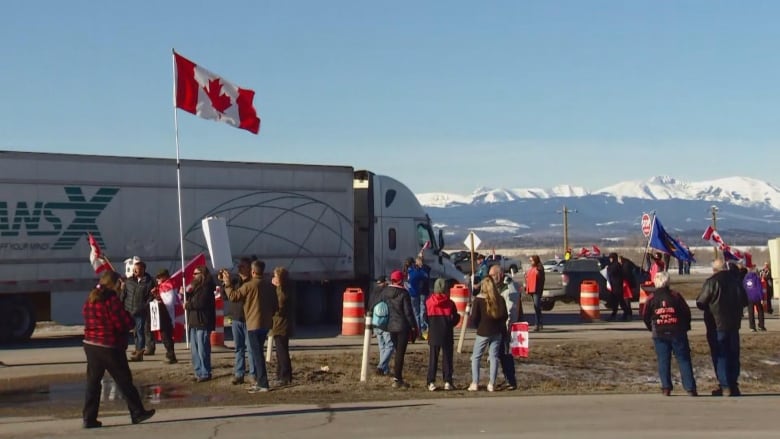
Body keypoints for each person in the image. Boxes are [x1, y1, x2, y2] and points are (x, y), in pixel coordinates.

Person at [82, 270, 155, 429]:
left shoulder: (91, 298)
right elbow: (122, 322)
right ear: (115, 283)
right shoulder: (111, 299)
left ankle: (89, 417)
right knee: (124, 380)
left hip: (91, 344)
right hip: (109, 345)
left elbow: (86, 317)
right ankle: (137, 412)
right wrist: (129, 321)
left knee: (93, 382)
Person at [222, 260, 277, 393]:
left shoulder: (250, 285)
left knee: (256, 354)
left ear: (252, 271)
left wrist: (227, 284)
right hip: (265, 323)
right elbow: (275, 305)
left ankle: (262, 383)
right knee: (257, 353)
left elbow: (233, 297)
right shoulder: (269, 285)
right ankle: (259, 380)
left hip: (253, 324)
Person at [696, 259, 748, 397]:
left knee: (721, 355)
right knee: (733, 354)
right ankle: (733, 383)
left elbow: (701, 302)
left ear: (715, 269)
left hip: (716, 324)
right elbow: (744, 300)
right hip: (734, 324)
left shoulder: (712, 282)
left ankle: (725, 385)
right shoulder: (736, 281)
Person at [642, 271, 697, 397]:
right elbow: (686, 312)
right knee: (683, 360)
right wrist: (685, 326)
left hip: (659, 333)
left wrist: (651, 327)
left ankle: (666, 387)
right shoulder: (676, 296)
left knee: (663, 361)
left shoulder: (651, 298)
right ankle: (690, 388)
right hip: (677, 331)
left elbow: (645, 315)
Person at [374, 269, 417, 388]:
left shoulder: (385, 292)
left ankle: (392, 373)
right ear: (401, 280)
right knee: (400, 354)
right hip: (402, 326)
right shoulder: (404, 293)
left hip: (389, 326)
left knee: (394, 349)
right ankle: (398, 378)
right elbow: (408, 312)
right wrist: (413, 326)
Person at [468, 275, 508, 392]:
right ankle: (492, 383)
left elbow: (474, 317)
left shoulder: (479, 300)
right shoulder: (499, 299)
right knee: (493, 357)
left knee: (476, 357)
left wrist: (477, 326)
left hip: (483, 331)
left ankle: (475, 382)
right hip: (496, 332)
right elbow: (504, 315)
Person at [221, 257, 256, 385]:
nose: (239, 269)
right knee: (238, 348)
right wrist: (225, 283)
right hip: (236, 318)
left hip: (248, 319)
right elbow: (226, 296)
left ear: (249, 269)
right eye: (239, 267)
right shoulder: (236, 281)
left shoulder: (251, 283)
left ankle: (253, 373)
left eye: (242, 267)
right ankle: (239, 373)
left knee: (251, 348)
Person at [424, 278, 460, 391]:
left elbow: (425, 317)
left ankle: (431, 381)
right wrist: (453, 322)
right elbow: (455, 318)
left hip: (434, 332)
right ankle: (448, 381)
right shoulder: (450, 303)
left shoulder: (429, 302)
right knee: (447, 358)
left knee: (433, 359)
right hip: (447, 332)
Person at [185, 265, 216, 382]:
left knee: (203, 349)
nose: (193, 276)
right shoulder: (194, 287)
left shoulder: (206, 287)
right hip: (193, 321)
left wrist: (188, 305)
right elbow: (192, 300)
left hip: (203, 321)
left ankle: (205, 372)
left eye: (196, 274)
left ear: (202, 274)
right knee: (195, 350)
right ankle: (198, 371)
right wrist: (186, 294)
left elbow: (200, 303)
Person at [121, 260, 155, 361]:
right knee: (134, 332)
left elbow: (150, 296)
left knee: (140, 331)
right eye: (134, 269)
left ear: (143, 269)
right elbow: (124, 294)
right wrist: (121, 305)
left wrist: (144, 306)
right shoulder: (129, 281)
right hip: (128, 310)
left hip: (140, 311)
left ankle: (140, 352)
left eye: (138, 269)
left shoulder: (149, 281)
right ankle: (137, 348)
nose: (135, 271)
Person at [491, 264, 518, 390]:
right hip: (499, 325)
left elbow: (511, 309)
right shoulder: (498, 287)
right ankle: (507, 378)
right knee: (501, 353)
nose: (491, 278)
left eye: (492, 275)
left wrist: (508, 327)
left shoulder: (509, 288)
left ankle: (511, 380)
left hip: (507, 326)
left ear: (499, 274)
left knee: (506, 353)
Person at [271, 266, 293, 385]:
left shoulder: (282, 291)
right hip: (280, 324)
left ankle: (285, 375)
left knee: (282, 351)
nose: (273, 278)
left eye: (275, 276)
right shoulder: (285, 289)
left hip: (281, 325)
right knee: (280, 351)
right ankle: (280, 373)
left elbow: (279, 306)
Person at [151, 269, 177, 364]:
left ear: (165, 276)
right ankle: (170, 353)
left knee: (166, 335)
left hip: (166, 314)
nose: (158, 279)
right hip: (164, 314)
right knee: (165, 335)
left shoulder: (167, 286)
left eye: (160, 277)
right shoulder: (163, 286)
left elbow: (168, 301)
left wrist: (158, 298)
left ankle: (171, 355)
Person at [370, 276, 393, 376]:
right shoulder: (386, 292)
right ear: (384, 282)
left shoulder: (373, 292)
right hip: (385, 323)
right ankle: (381, 366)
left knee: (382, 347)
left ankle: (385, 370)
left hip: (375, 323)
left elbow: (369, 306)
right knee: (390, 346)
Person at [407, 256, 431, 339]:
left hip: (414, 293)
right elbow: (426, 273)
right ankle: (422, 329)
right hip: (422, 293)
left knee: (416, 313)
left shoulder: (411, 270)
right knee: (422, 312)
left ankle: (419, 331)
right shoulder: (424, 271)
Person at [606, 252, 631, 321]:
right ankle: (615, 314)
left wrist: (608, 269)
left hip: (617, 286)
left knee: (620, 301)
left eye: (611, 258)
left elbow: (612, 272)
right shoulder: (615, 265)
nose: (610, 259)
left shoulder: (616, 265)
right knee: (616, 301)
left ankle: (626, 313)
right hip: (615, 286)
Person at [525, 255, 545, 332]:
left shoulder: (539, 268)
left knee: (536, 307)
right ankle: (540, 322)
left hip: (537, 290)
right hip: (533, 290)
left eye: (532, 261)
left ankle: (537, 324)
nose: (531, 262)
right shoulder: (533, 268)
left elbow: (539, 276)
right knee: (537, 307)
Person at [743, 265, 766, 332]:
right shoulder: (756, 278)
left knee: (751, 312)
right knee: (760, 311)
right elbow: (759, 288)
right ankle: (761, 326)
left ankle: (752, 327)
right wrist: (762, 298)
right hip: (757, 297)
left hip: (749, 297)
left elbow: (744, 287)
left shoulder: (745, 278)